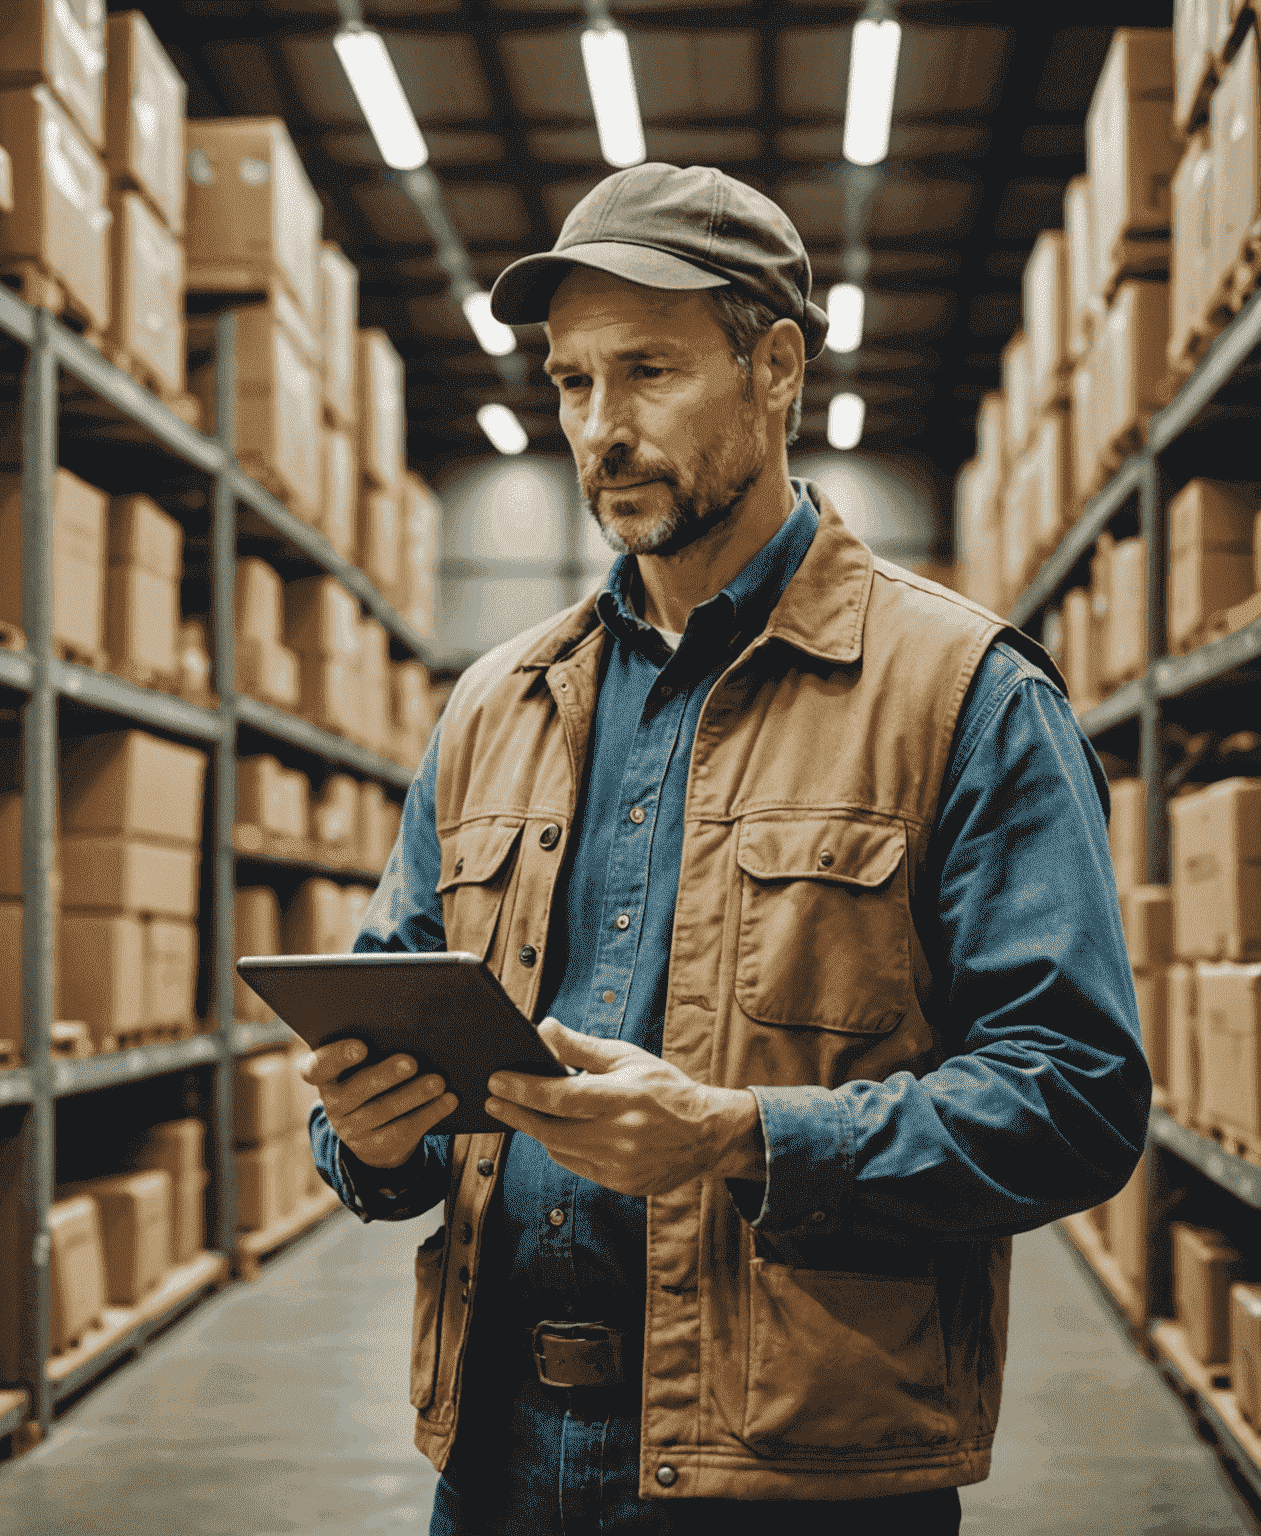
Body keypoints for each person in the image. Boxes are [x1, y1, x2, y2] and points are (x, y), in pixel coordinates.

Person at [301, 163, 1150, 1535]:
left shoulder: (963, 696)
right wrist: (368, 1136)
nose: (599, 430)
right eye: (572, 384)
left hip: (796, 1473)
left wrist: (742, 1140)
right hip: (499, 1452)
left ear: (776, 370)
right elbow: (387, 1019)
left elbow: (1075, 1100)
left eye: (647, 372)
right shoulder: (493, 706)